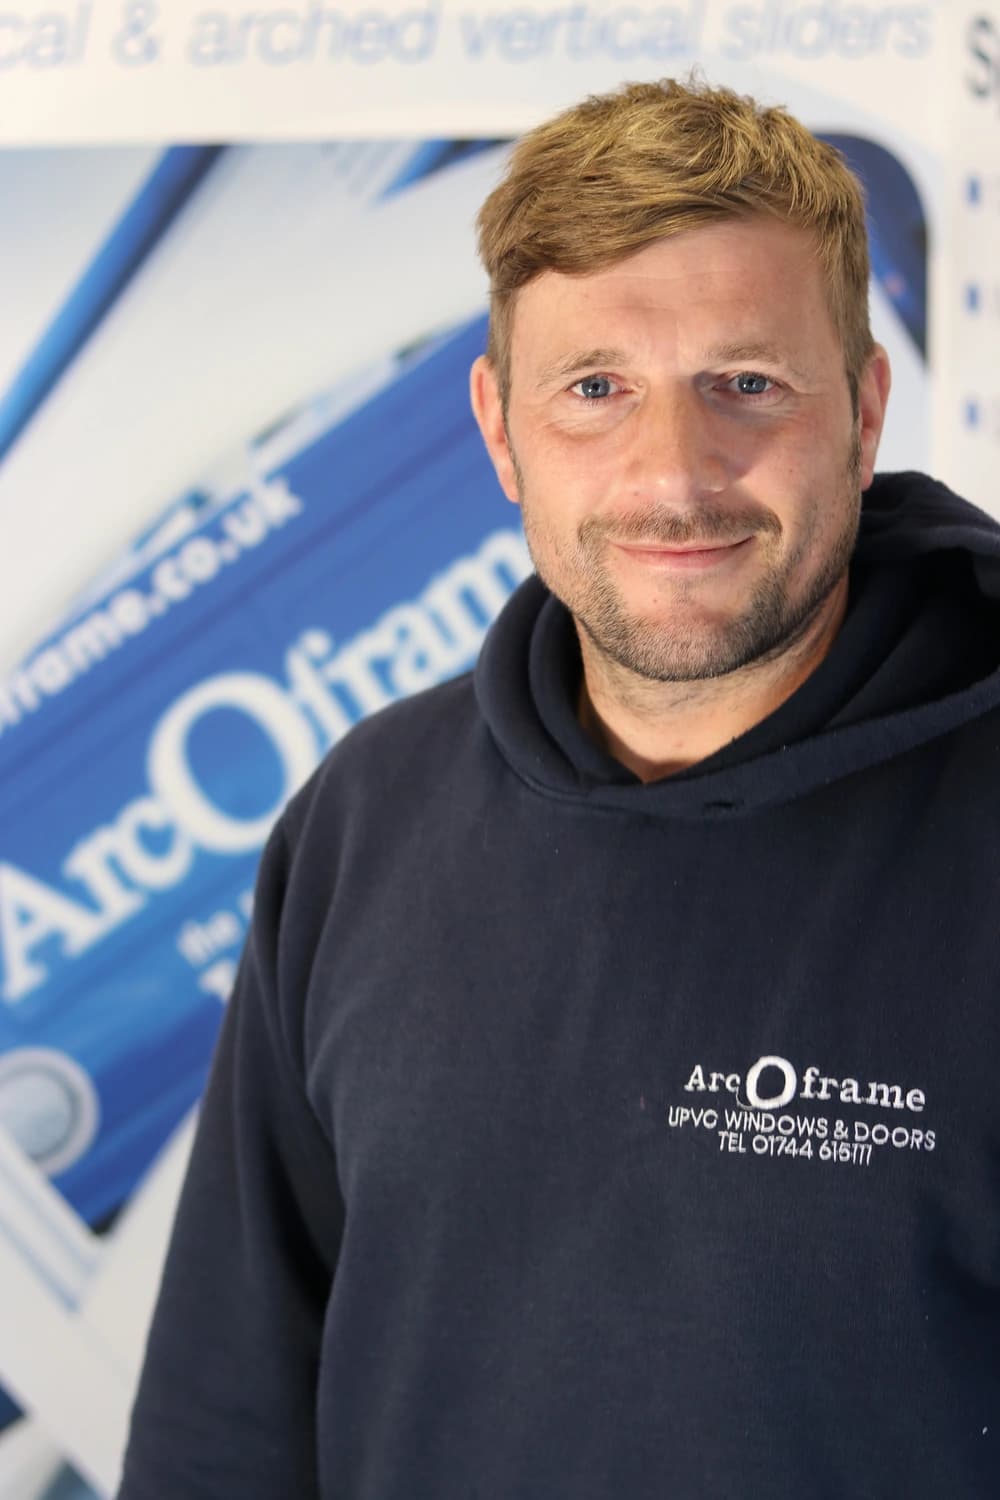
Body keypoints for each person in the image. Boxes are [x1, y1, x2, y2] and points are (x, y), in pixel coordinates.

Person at [117, 79, 1000, 1500]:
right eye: (597, 389)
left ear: (866, 408)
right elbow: (225, 1421)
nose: (675, 476)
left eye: (747, 383)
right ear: (499, 426)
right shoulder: (366, 818)